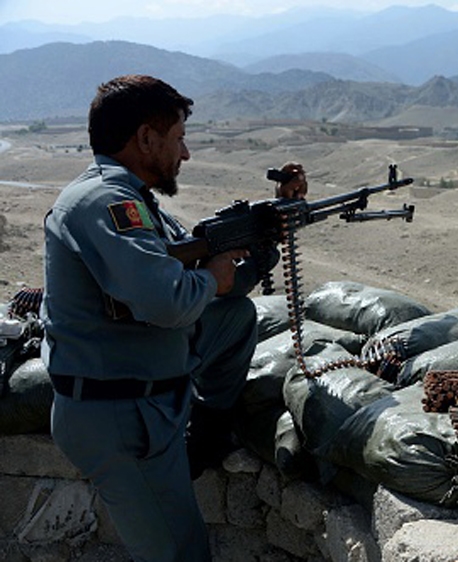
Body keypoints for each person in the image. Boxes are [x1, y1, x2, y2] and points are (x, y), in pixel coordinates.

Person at [39, 74, 283, 562]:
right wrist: (211, 277)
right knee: (179, 553)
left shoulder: (133, 199)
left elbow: (215, 291)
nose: (185, 153)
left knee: (234, 316)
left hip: (141, 395)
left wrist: (262, 242)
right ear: (146, 138)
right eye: (178, 138)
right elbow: (169, 301)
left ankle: (205, 431)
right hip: (119, 417)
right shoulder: (107, 203)